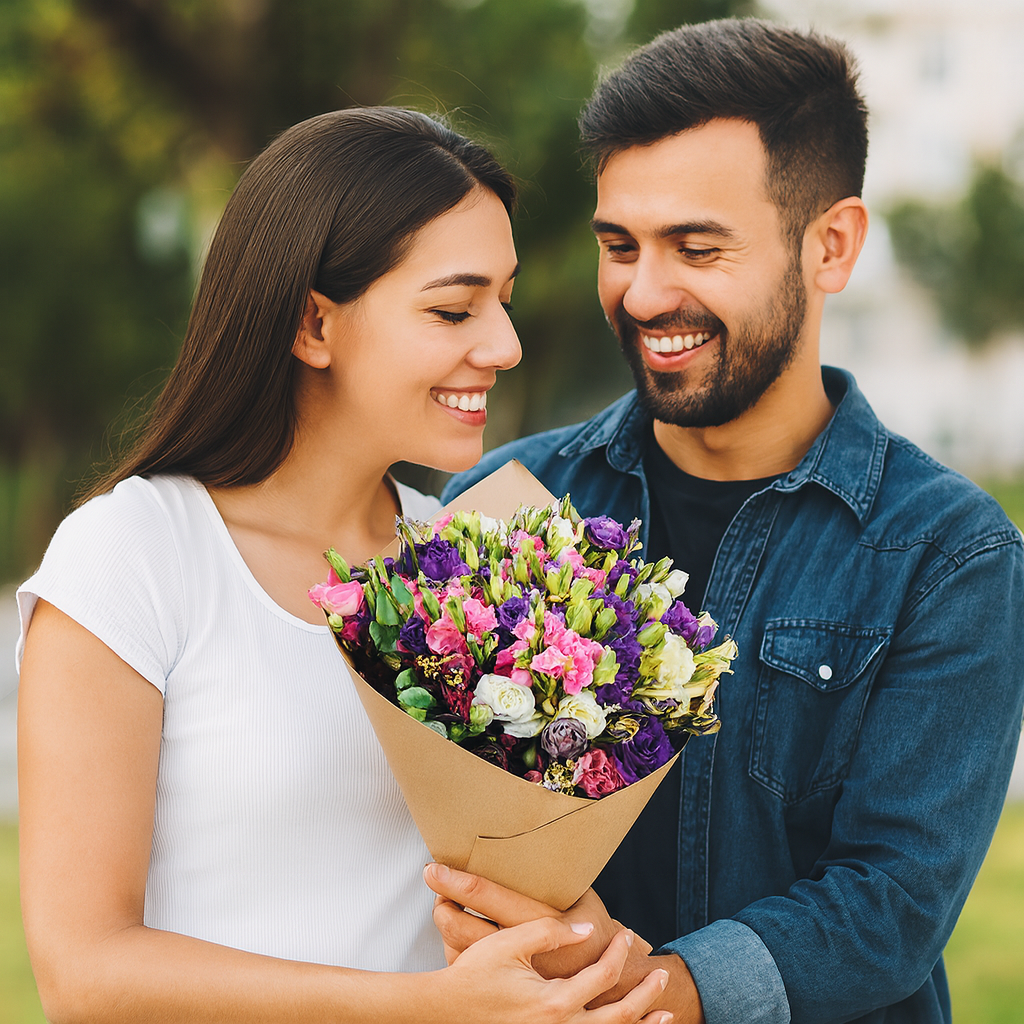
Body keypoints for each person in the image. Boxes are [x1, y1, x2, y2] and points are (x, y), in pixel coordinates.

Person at [15, 107, 673, 1024]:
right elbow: (86, 977)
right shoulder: (134, 558)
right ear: (313, 325)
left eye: (504, 300)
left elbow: (500, 897)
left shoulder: (474, 566)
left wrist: (579, 950)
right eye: (453, 307)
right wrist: (427, 1007)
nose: (504, 346)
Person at [429, 18, 1024, 1024]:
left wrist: (661, 991)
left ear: (829, 245)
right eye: (620, 245)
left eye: (696, 247)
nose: (645, 291)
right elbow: (461, 824)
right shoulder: (509, 502)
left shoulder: (950, 553)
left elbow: (892, 899)